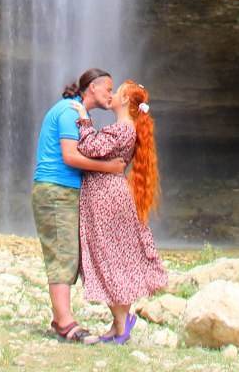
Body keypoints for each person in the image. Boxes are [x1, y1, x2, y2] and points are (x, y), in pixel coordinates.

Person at [32, 67, 127, 343]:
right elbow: (70, 157)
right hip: (55, 191)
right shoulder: (69, 112)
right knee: (62, 253)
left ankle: (60, 318)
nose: (111, 94)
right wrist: (109, 168)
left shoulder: (77, 113)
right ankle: (65, 323)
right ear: (93, 88)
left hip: (64, 191)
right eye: (109, 88)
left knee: (68, 253)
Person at [70, 79, 168, 343]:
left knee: (106, 257)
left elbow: (89, 148)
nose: (111, 95)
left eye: (116, 92)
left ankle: (122, 323)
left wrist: (83, 119)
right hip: (110, 195)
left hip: (106, 197)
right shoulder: (127, 128)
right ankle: (118, 325)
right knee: (112, 257)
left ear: (125, 101)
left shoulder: (123, 129)